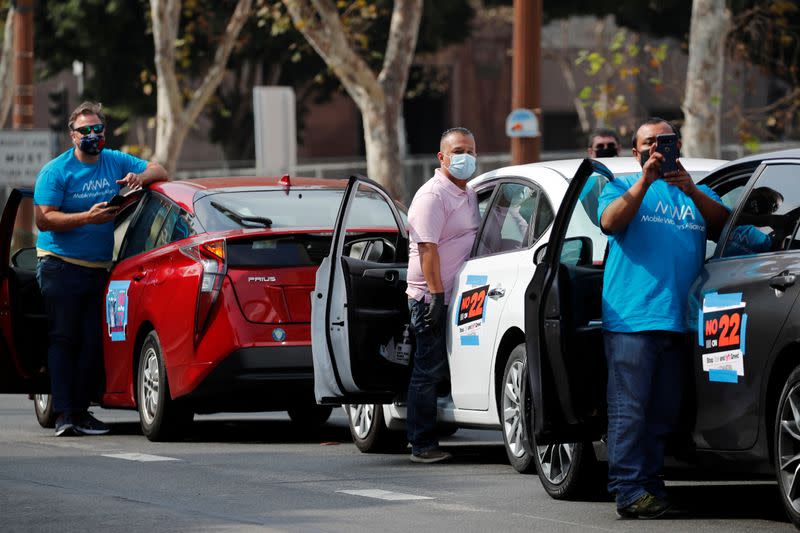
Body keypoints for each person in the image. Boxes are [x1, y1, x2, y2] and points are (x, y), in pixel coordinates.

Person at [597, 117, 729, 518]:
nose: (657, 148)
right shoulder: (619, 187)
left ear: (678, 144)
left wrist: (691, 189)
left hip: (680, 320)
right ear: (635, 152)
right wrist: (646, 181)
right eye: (649, 143)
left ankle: (649, 486)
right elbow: (609, 222)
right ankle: (628, 490)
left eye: (665, 141)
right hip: (633, 320)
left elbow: (725, 226)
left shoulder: (697, 192)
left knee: (664, 410)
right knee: (630, 409)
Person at [34, 101, 169, 437]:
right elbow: (43, 218)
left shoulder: (114, 161)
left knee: (94, 341)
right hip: (59, 267)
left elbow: (160, 170)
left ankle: (81, 412)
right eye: (85, 131)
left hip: (99, 270)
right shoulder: (56, 171)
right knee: (64, 339)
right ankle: (64, 415)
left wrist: (140, 176)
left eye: (97, 129)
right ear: (72, 135)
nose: (92, 135)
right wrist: (86, 218)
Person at [405, 127, 480, 463]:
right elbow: (427, 250)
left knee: (442, 368)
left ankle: (434, 430)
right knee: (428, 369)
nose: (466, 157)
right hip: (430, 297)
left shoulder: (469, 193)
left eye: (471, 151)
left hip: (460, 295)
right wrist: (436, 296)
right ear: (442, 157)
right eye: (459, 150)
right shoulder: (432, 196)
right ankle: (421, 443)